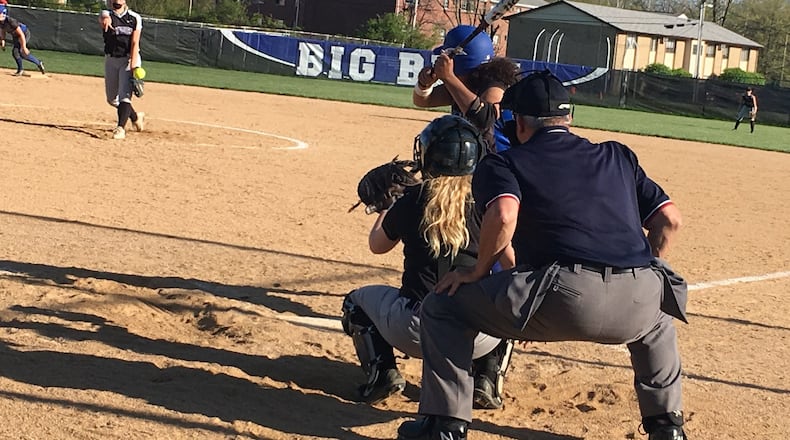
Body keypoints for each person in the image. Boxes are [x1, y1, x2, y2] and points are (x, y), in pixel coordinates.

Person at [396, 71, 689, 440]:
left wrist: (477, 272)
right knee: (658, 322)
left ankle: (446, 425)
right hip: (635, 298)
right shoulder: (618, 155)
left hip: (560, 296)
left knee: (442, 307)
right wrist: (646, 270)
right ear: (569, 118)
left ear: (519, 122)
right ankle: (668, 429)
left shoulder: (506, 163)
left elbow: (503, 214)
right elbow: (670, 220)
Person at [342, 115, 515, 409]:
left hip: (413, 329)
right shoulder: (488, 201)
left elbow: (377, 246)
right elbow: (511, 264)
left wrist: (387, 206)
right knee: (507, 304)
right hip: (478, 336)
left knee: (354, 303)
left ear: (428, 156)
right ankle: (486, 380)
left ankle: (382, 374)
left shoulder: (412, 198)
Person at [413, 25, 519, 153]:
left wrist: (449, 77)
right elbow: (424, 101)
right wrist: (424, 85)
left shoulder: (495, 85)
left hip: (502, 163)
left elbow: (485, 118)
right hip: (479, 162)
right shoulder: (462, 84)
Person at [99, 0, 144, 140]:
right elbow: (103, 16)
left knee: (125, 95)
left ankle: (120, 128)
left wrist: (134, 62)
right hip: (111, 60)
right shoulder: (106, 14)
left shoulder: (134, 18)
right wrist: (105, 18)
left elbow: (135, 42)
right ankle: (136, 117)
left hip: (128, 59)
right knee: (112, 99)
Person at [0, 5, 46, 77]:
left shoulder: (11, 21)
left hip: (24, 34)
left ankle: (21, 70)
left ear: (3, 13)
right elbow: (3, 30)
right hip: (16, 36)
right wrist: (3, 40)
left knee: (19, 52)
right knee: (20, 54)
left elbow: (21, 34)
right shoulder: (1, 22)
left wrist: (23, 46)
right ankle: (38, 63)